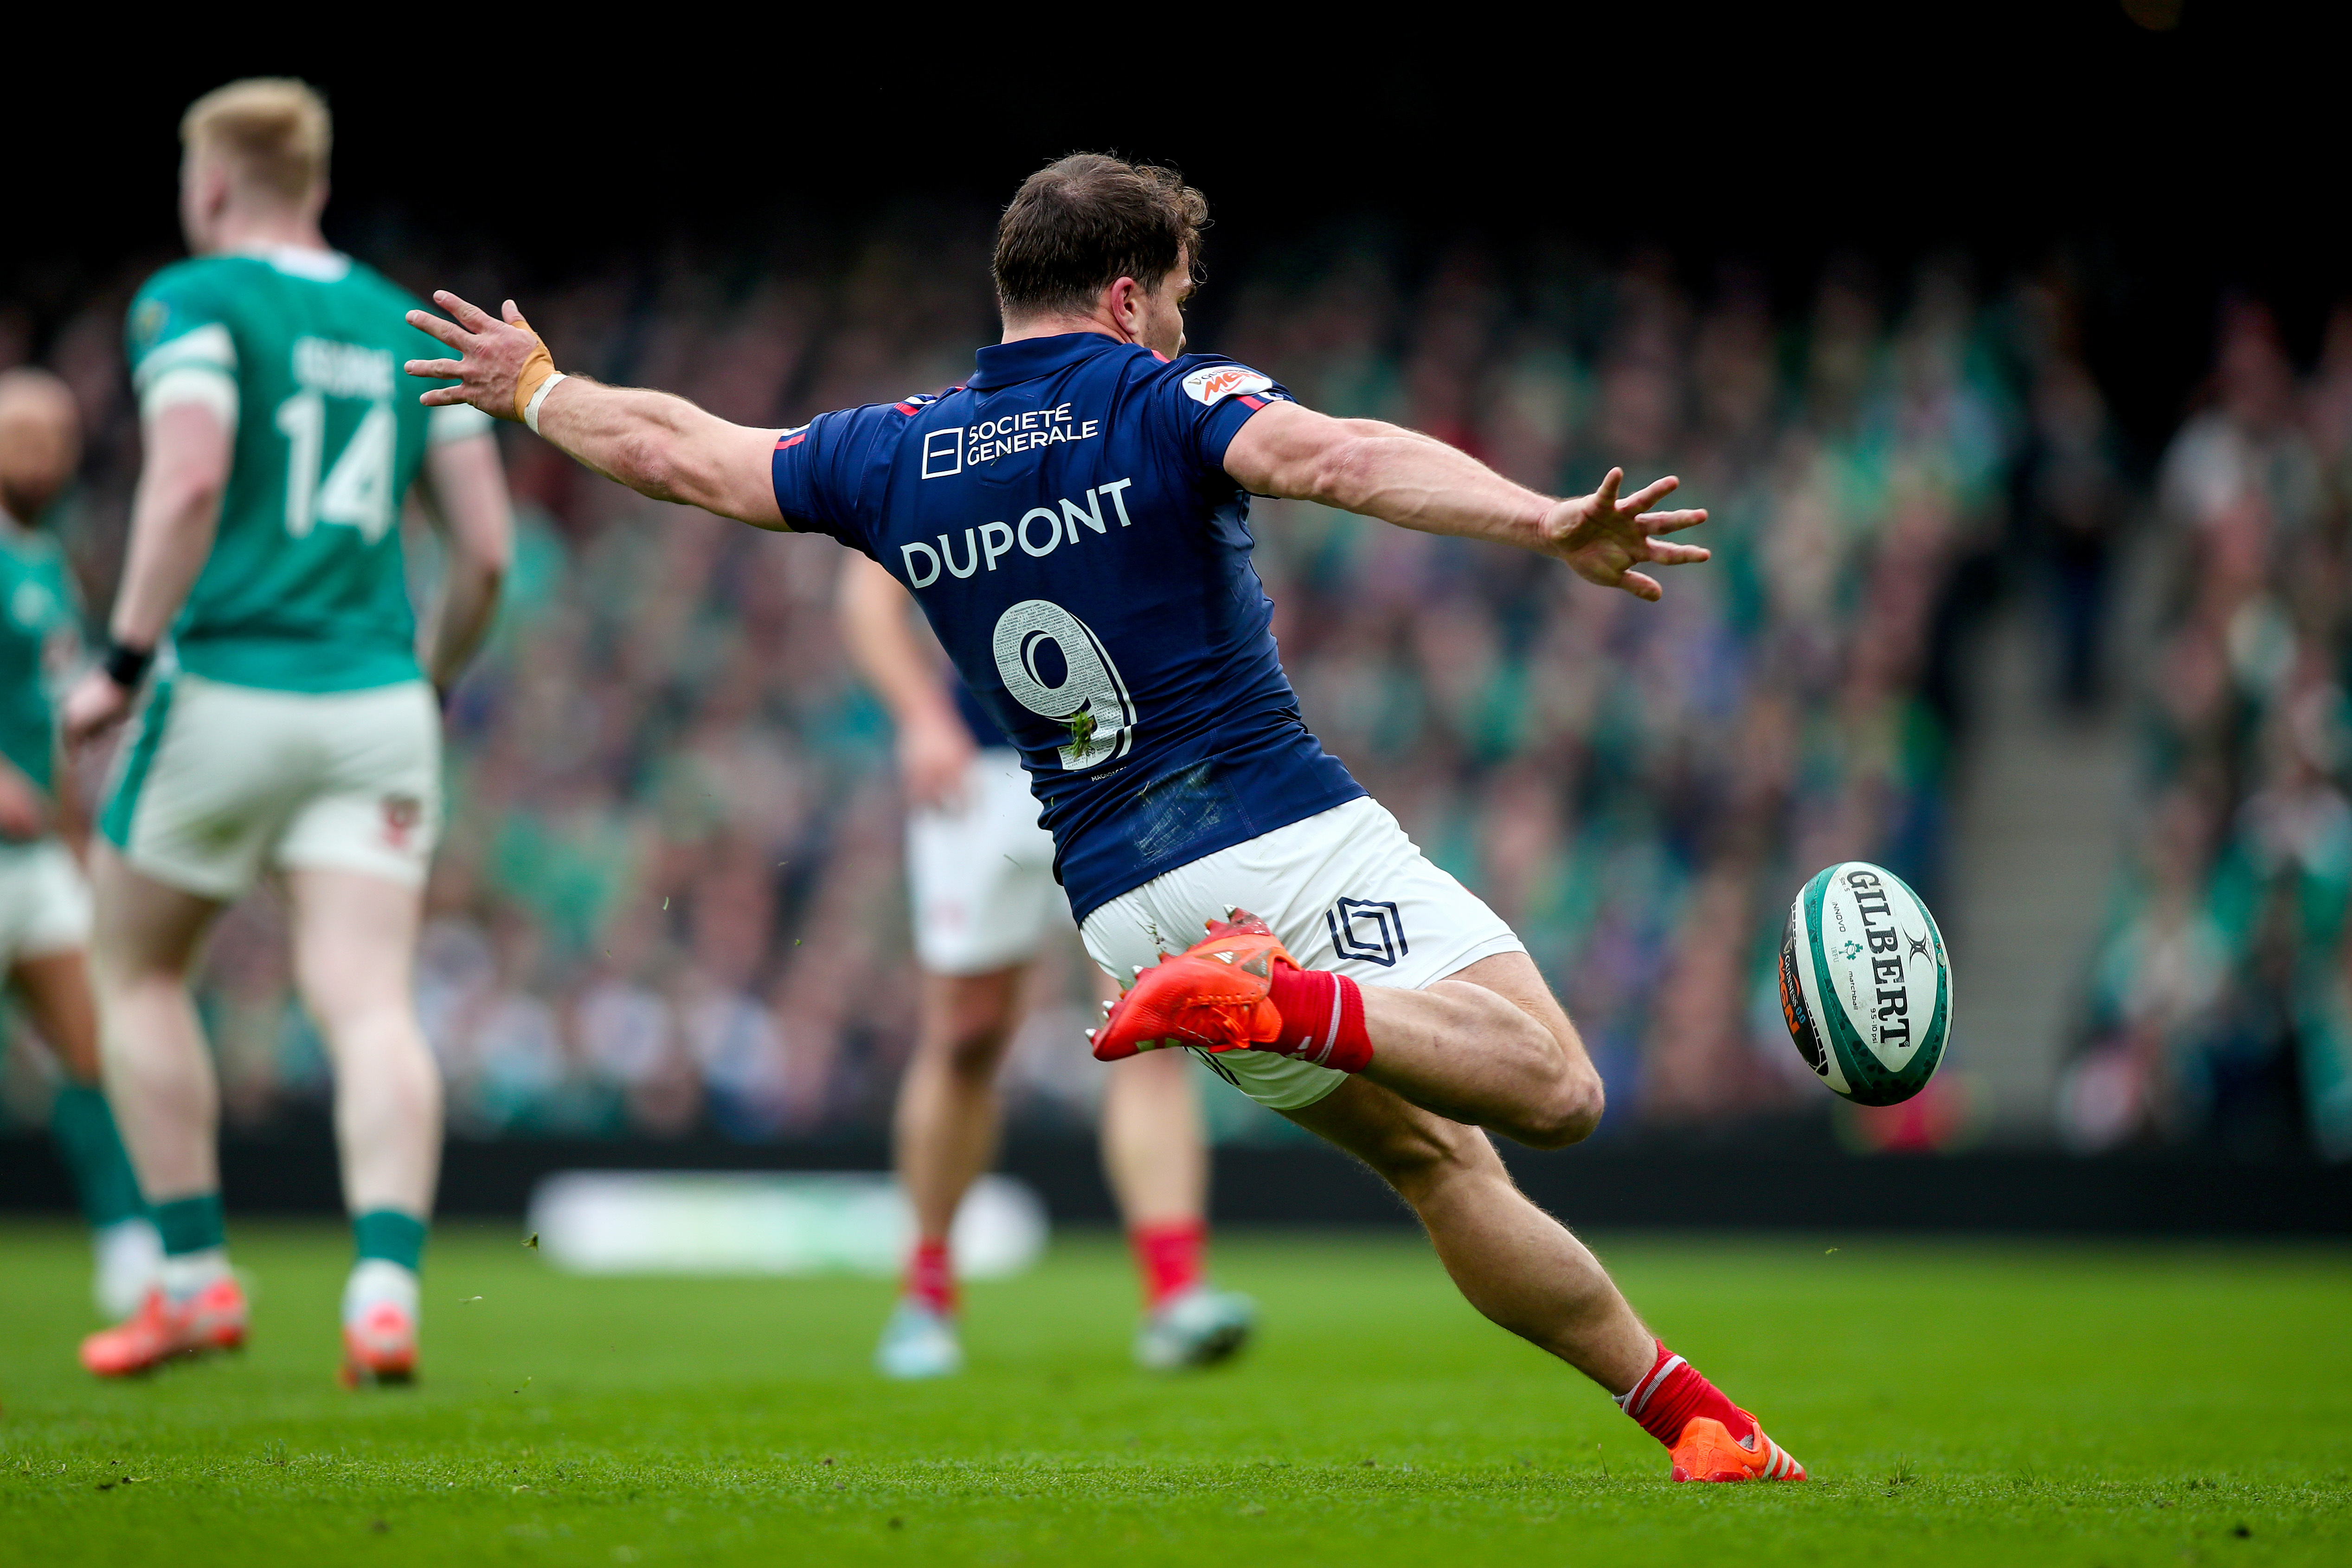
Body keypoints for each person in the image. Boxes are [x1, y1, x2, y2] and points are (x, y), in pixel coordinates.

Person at [406, 154, 1806, 1483]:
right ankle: (1285, 999)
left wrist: (537, 391)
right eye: (1180, 292)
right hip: (1271, 831)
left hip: (1129, 909)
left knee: (1434, 1155)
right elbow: (1337, 455)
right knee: (1557, 1093)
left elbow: (681, 451)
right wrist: (1541, 519)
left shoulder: (897, 451)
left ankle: (1698, 1424)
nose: (1184, 317)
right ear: (1128, 294)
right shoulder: (1159, 396)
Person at [67, 79, 513, 1385]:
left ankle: (195, 1282)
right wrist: (429, 679)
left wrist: (124, 658)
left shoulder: (192, 298)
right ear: (315, 184)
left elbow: (193, 475)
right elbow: (484, 555)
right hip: (375, 700)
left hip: (228, 686)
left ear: (211, 185)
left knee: (138, 969)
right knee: (369, 1001)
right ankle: (382, 1294)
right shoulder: (396, 320)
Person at [838, 555, 1254, 1375]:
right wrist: (922, 717)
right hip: (982, 770)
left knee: (1153, 1023)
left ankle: (1176, 1294)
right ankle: (925, 1296)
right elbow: (866, 595)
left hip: (1126, 768)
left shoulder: (1123, 431)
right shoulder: (939, 438)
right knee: (966, 1034)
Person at [0, 368, 162, 1318]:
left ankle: (131, 1252)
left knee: (95, 1050)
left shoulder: (46, 561)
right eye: (25, 432)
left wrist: (74, 838)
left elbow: (50, 729)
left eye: (59, 435)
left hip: (37, 860)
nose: (46, 452)